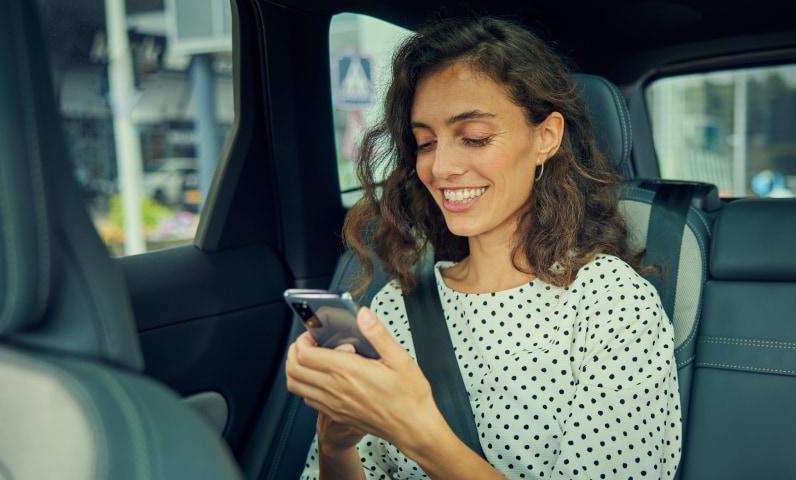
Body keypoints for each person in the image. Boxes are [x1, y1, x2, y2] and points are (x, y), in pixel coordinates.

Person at [285, 16, 682, 480]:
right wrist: (336, 443)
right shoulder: (398, 305)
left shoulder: (610, 302)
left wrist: (418, 432)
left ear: (545, 137)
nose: (442, 167)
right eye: (426, 143)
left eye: (473, 137)